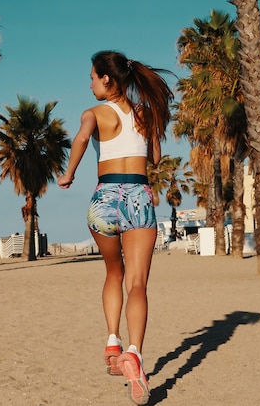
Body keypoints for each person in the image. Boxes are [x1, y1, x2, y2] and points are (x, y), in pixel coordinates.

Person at [58, 50, 173, 405]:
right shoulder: (147, 113)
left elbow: (79, 140)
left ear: (107, 80)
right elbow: (155, 158)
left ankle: (112, 340)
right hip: (138, 195)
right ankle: (135, 355)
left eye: (92, 77)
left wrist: (69, 173)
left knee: (113, 274)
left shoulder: (93, 113)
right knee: (138, 283)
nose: (89, 83)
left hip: (105, 198)